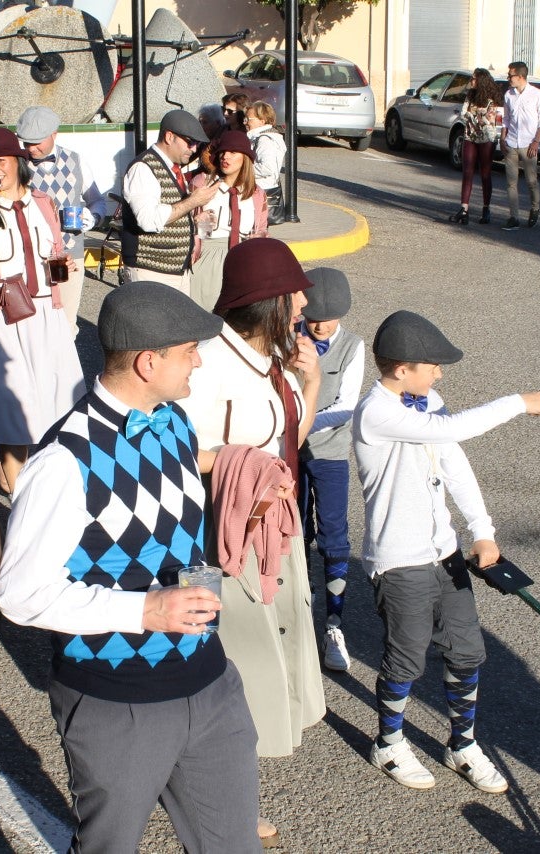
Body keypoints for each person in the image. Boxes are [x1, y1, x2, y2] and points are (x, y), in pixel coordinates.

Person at [0, 281, 261, 853]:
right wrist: (145, 609)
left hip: (209, 680)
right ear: (148, 362)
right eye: (188, 351)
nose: (198, 361)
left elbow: (174, 523)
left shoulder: (174, 420)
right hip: (117, 701)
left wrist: (247, 473)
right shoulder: (63, 461)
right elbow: (19, 594)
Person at [353, 310, 540, 792]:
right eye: (432, 366)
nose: (439, 375)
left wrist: (482, 531)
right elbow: (453, 431)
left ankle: (462, 745)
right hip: (400, 561)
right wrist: (517, 402)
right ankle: (388, 743)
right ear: (401, 369)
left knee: (468, 652)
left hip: (444, 553)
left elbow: (453, 462)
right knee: (406, 660)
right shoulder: (376, 412)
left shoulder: (427, 400)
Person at [182, 237, 326, 846]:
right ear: (267, 300)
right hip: (226, 540)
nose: (304, 304)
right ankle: (218, 805)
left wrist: (310, 385)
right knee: (233, 674)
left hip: (271, 531)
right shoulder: (210, 365)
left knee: (262, 665)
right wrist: (242, 464)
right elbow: (178, 451)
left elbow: (288, 442)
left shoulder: (273, 360)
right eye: (294, 293)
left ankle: (224, 797)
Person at [0, 127, 85, 494]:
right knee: (13, 410)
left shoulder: (43, 203)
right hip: (0, 319)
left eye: (1, 161)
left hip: (45, 316)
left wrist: (62, 264)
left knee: (52, 405)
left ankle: (33, 482)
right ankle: (18, 495)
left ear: (18, 162)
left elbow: (53, 251)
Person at [290, 267, 364, 671]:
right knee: (296, 530)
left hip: (329, 452)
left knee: (334, 535)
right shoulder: (289, 336)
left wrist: (298, 426)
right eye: (313, 317)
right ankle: (302, 608)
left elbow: (345, 407)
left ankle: (334, 624)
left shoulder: (353, 346)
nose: (319, 326)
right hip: (290, 453)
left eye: (329, 318)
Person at [16, 105, 108, 328]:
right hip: (30, 255)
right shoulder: (17, 165)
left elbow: (97, 200)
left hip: (70, 255)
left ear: (54, 134)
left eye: (37, 142)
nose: (31, 148)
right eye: (26, 142)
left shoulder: (76, 160)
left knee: (66, 323)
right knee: (32, 322)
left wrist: (94, 217)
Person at [120, 109, 217, 293]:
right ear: (169, 137)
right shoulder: (143, 168)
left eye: (197, 144)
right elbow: (148, 220)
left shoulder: (173, 168)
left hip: (176, 270)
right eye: (190, 142)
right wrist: (192, 202)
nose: (194, 149)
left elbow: (171, 212)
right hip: (150, 270)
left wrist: (192, 221)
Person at [188, 130, 267, 312]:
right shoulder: (203, 183)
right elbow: (185, 221)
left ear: (245, 158)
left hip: (243, 260)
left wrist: (260, 237)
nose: (225, 156)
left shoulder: (257, 193)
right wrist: (196, 223)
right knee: (203, 315)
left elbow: (263, 228)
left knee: (236, 318)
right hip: (208, 257)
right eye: (223, 152)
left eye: (233, 152)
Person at [450, 68, 503, 226]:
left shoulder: (491, 99)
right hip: (470, 136)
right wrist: (476, 116)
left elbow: (488, 120)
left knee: (485, 174)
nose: (471, 81)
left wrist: (476, 117)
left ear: (481, 81)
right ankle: (464, 209)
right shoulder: (470, 96)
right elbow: (463, 113)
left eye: (474, 79)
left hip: (486, 138)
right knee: (467, 172)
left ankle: (486, 209)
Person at [501, 61, 540, 231]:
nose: (509, 78)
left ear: (520, 77)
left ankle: (535, 208)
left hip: (528, 144)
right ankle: (514, 217)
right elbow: (506, 119)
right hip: (512, 143)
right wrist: (503, 138)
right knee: (511, 183)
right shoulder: (509, 95)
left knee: (531, 181)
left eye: (511, 75)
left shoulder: (537, 94)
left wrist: (536, 141)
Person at [245, 101, 286, 223]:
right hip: (260, 188)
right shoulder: (261, 137)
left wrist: (244, 170)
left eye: (249, 119)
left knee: (258, 225)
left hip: (262, 189)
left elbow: (267, 168)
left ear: (262, 121)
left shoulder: (265, 140)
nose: (245, 122)